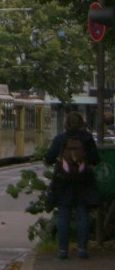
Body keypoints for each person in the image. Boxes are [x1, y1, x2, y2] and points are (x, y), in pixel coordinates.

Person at [43, 111, 100, 259]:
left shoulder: (61, 138)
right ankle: (82, 249)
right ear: (81, 123)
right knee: (82, 214)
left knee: (63, 214)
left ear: (66, 123)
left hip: (63, 181)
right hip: (83, 181)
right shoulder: (87, 138)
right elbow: (95, 159)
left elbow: (48, 158)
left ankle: (62, 250)